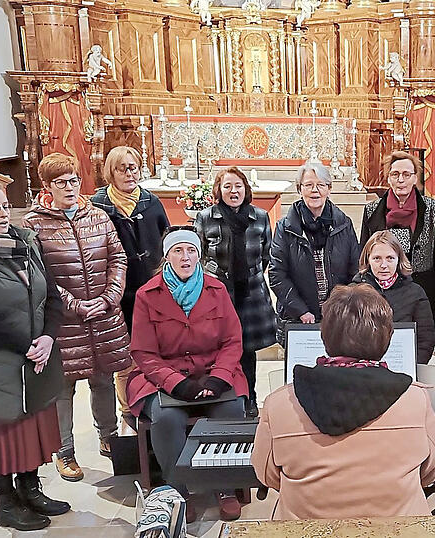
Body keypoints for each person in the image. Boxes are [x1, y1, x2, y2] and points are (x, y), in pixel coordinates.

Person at [251, 284, 435, 520]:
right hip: (398, 528)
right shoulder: (415, 398)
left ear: (324, 336)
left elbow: (267, 475)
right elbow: (431, 471)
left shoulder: (279, 404)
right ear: (387, 338)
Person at [0, 178, 70, 531]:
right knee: (3, 431)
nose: (4, 213)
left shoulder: (26, 242)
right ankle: (6, 503)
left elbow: (51, 295)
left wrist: (48, 337)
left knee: (32, 423)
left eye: (5, 205)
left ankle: (30, 490)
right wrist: (29, 346)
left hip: (34, 353)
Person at [127, 227, 249, 523]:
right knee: (167, 418)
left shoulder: (216, 290)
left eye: (191, 250)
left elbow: (232, 341)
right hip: (163, 377)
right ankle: (177, 491)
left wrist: (219, 377)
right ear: (167, 256)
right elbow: (143, 353)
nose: (186, 257)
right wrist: (176, 384)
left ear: (199, 254)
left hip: (212, 373)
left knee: (231, 408)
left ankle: (225, 487)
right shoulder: (147, 294)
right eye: (178, 251)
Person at [23, 153, 131, 482]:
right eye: (61, 182)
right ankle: (65, 451)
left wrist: (109, 297)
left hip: (103, 314)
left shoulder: (97, 216)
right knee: (63, 388)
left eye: (73, 180)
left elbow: (118, 257)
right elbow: (38, 273)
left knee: (102, 381)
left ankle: (109, 437)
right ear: (47, 186)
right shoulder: (34, 224)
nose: (69, 187)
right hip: (64, 321)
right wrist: (73, 304)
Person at [91, 146, 170, 424]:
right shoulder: (98, 206)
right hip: (116, 292)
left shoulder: (151, 202)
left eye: (133, 167)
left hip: (151, 290)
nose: (129, 173)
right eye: (122, 168)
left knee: (154, 349)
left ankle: (151, 401)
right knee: (123, 356)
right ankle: (127, 412)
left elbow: (165, 242)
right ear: (110, 172)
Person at [195, 167, 277, 418]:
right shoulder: (206, 217)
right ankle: (222, 396)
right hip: (217, 293)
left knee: (246, 349)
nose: (234, 191)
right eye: (227, 186)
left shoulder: (260, 217)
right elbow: (198, 254)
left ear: (246, 189)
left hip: (249, 293)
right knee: (219, 348)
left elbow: (267, 255)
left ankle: (249, 397)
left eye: (238, 186)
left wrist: (248, 275)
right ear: (219, 190)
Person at [360, 151, 435, 337]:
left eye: (406, 174)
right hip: (381, 289)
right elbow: (364, 254)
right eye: (395, 174)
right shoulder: (372, 210)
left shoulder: (432, 209)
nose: (401, 180)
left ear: (415, 178)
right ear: (389, 178)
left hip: (423, 287)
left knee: (420, 342)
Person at [269, 159, 360, 329]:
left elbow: (355, 269)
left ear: (329, 189)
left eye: (321, 185)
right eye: (308, 185)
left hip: (337, 317)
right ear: (299, 189)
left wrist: (340, 305)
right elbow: (277, 274)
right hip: (297, 317)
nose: (314, 190)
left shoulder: (343, 224)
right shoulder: (285, 228)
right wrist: (301, 311)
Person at [353, 231, 435, 365]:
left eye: (390, 258)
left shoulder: (415, 293)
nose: (384, 265)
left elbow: (426, 339)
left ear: (399, 259)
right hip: (363, 371)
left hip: (404, 367)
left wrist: (412, 367)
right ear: (367, 260)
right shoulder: (353, 292)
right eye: (377, 258)